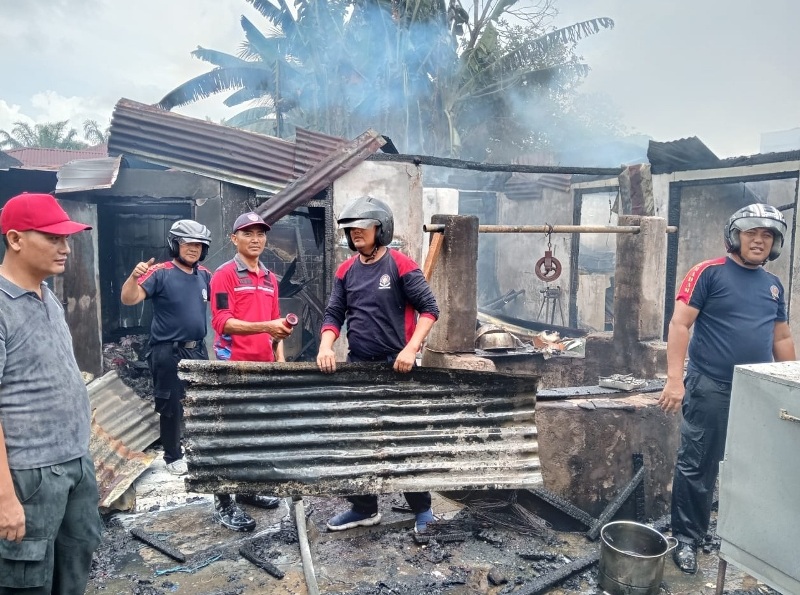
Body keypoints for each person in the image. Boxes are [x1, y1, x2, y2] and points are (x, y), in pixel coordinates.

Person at [658, 203, 796, 574]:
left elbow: (780, 335)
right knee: (697, 464)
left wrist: (792, 381)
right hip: (711, 386)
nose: (759, 240)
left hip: (757, 391)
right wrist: (675, 379)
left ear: (775, 243)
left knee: (748, 466)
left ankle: (730, 535)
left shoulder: (773, 285)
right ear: (735, 236)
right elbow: (680, 325)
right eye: (752, 232)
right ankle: (687, 539)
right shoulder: (708, 272)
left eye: (767, 235)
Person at [316, 196, 440, 534]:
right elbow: (333, 315)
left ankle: (423, 509)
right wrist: (326, 346)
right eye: (351, 228)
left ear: (380, 229)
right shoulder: (345, 270)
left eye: (363, 226)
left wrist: (411, 349)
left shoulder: (401, 265)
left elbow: (430, 309)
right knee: (359, 439)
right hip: (359, 366)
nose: (356, 232)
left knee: (402, 440)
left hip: (398, 368)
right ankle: (364, 507)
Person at [0, 193, 102, 594]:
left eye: (67, 239)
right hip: (30, 476)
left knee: (76, 566)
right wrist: (6, 498)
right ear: (15, 239)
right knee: (28, 581)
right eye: (52, 237)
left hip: (76, 463)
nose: (65, 248)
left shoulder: (49, 297)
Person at [209, 211, 293, 532]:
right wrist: (266, 325)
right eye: (247, 233)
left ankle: (246, 490)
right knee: (229, 437)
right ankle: (224, 502)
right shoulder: (224, 275)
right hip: (233, 368)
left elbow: (277, 327)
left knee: (256, 433)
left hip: (264, 367)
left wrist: (280, 361)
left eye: (260, 233)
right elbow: (221, 321)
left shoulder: (271, 278)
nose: (255, 239)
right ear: (234, 239)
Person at [120, 219, 213, 476]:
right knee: (171, 404)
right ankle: (173, 455)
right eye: (187, 243)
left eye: (199, 245)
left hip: (197, 349)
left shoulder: (205, 275)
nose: (193, 249)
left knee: (203, 401)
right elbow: (129, 299)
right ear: (175, 244)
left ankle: (200, 449)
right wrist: (133, 277)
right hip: (167, 351)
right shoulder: (160, 272)